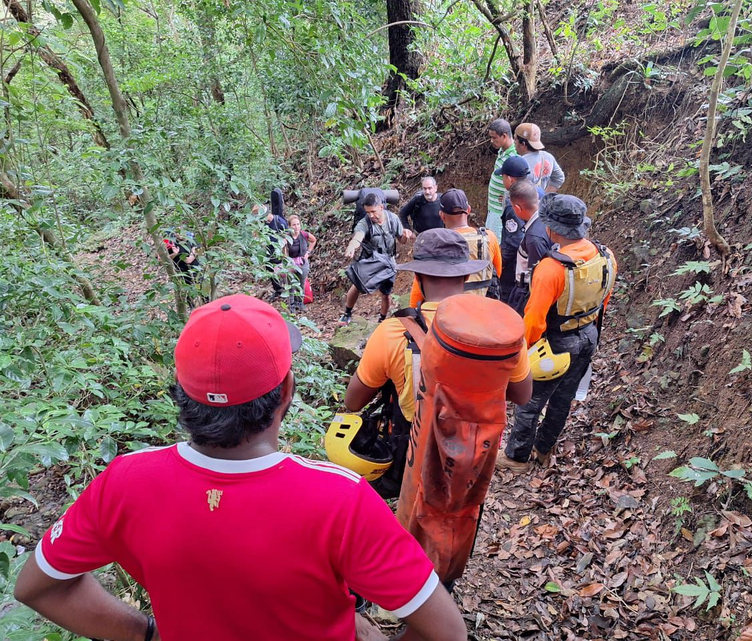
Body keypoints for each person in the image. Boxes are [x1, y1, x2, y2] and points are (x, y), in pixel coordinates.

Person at [14, 294, 467, 641]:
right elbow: (447, 631)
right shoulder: (341, 499)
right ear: (286, 391)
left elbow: (36, 587)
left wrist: (146, 631)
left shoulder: (125, 481)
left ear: (181, 394)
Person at [344, 229, 532, 499]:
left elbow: (353, 402)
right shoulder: (502, 328)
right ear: (466, 276)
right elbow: (522, 395)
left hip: (413, 452)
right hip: (474, 453)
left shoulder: (393, 332)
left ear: (418, 278)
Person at [496, 195, 617, 472]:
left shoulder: (552, 269)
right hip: (588, 334)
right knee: (564, 398)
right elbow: (604, 299)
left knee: (530, 401)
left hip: (555, 343)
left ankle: (516, 457)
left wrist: (521, 355)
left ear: (551, 229)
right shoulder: (606, 256)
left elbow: (535, 320)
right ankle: (543, 448)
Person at [408, 189, 501, 306]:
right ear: (468, 210)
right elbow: (497, 272)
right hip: (482, 307)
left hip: (446, 311)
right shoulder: (488, 237)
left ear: (441, 215)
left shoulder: (435, 244)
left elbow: (419, 290)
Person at [342, 191, 414, 324]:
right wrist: (352, 245)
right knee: (356, 285)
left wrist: (406, 235)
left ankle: (382, 319)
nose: (371, 215)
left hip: (388, 261)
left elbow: (402, 240)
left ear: (381, 207)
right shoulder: (365, 222)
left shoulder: (393, 219)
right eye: (367, 212)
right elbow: (359, 235)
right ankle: (347, 313)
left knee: (386, 293)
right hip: (371, 260)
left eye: (373, 211)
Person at [505, 180, 554, 315]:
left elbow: (538, 278)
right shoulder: (546, 220)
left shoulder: (534, 238)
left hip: (526, 293)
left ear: (517, 208)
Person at [494, 156, 531, 303]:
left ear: (510, 179)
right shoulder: (535, 193)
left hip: (514, 267)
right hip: (532, 260)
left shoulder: (513, 205)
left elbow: (513, 241)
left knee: (507, 299)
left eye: (503, 176)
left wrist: (499, 264)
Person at [486, 118, 517, 241]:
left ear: (504, 136)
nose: (491, 141)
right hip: (493, 208)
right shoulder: (502, 151)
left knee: (496, 245)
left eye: (494, 138)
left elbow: (520, 181)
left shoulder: (514, 156)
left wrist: (509, 196)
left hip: (501, 211)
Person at [514, 123, 565, 194]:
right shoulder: (548, 157)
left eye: (515, 139)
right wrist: (543, 197)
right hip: (540, 204)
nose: (514, 142)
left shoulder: (519, 163)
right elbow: (559, 178)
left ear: (523, 144)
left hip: (523, 204)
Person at [285, 214, 316, 311]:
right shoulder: (287, 237)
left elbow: (313, 240)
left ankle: (300, 302)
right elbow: (284, 251)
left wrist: (308, 252)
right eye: (294, 225)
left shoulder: (304, 234)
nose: (296, 227)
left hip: (303, 262)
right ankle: (291, 305)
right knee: (291, 285)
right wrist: (287, 263)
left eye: (298, 224)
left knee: (301, 284)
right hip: (291, 262)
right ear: (289, 226)